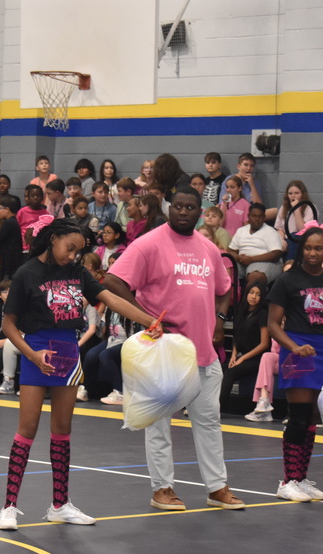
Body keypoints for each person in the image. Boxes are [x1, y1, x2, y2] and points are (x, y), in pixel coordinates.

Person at [0, 220, 160, 530]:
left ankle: (60, 504)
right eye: (69, 248)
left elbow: (112, 299)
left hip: (69, 352)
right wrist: (32, 355)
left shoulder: (77, 272)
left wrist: (148, 320)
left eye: (78, 251)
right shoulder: (26, 273)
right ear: (53, 239)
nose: (72, 255)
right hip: (37, 351)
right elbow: (8, 325)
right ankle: (9, 506)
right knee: (27, 429)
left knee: (62, 431)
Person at [104, 185, 246, 512]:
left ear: (199, 212)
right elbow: (113, 281)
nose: (183, 212)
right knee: (159, 422)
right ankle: (162, 488)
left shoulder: (209, 248)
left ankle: (217, 487)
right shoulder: (148, 244)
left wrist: (218, 319)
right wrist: (146, 317)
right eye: (177, 206)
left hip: (203, 354)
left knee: (209, 421)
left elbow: (225, 288)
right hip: (163, 351)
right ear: (170, 209)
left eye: (190, 208)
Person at [266, 227, 323, 501]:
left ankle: (301, 478)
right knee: (299, 415)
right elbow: (272, 324)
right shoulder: (287, 280)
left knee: (312, 417)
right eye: (308, 248)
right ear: (301, 249)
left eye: (319, 248)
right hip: (296, 349)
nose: (313, 253)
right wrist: (293, 347)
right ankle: (287, 480)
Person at [220, 282, 269, 412]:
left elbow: (264, 344)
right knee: (219, 369)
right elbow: (237, 335)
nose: (253, 297)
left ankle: (217, 407)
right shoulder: (242, 311)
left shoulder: (263, 313)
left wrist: (242, 359)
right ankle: (205, 404)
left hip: (258, 358)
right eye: (251, 292)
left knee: (231, 372)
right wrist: (234, 355)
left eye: (258, 294)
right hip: (243, 356)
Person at [227, 203, 284, 288]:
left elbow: (276, 254)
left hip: (264, 262)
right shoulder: (241, 231)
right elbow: (230, 250)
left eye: (260, 216)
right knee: (226, 271)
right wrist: (239, 258)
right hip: (242, 261)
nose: (257, 219)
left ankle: (245, 301)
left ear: (264, 217)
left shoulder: (270, 232)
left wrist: (251, 259)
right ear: (248, 216)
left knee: (256, 278)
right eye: (254, 216)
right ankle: (231, 300)